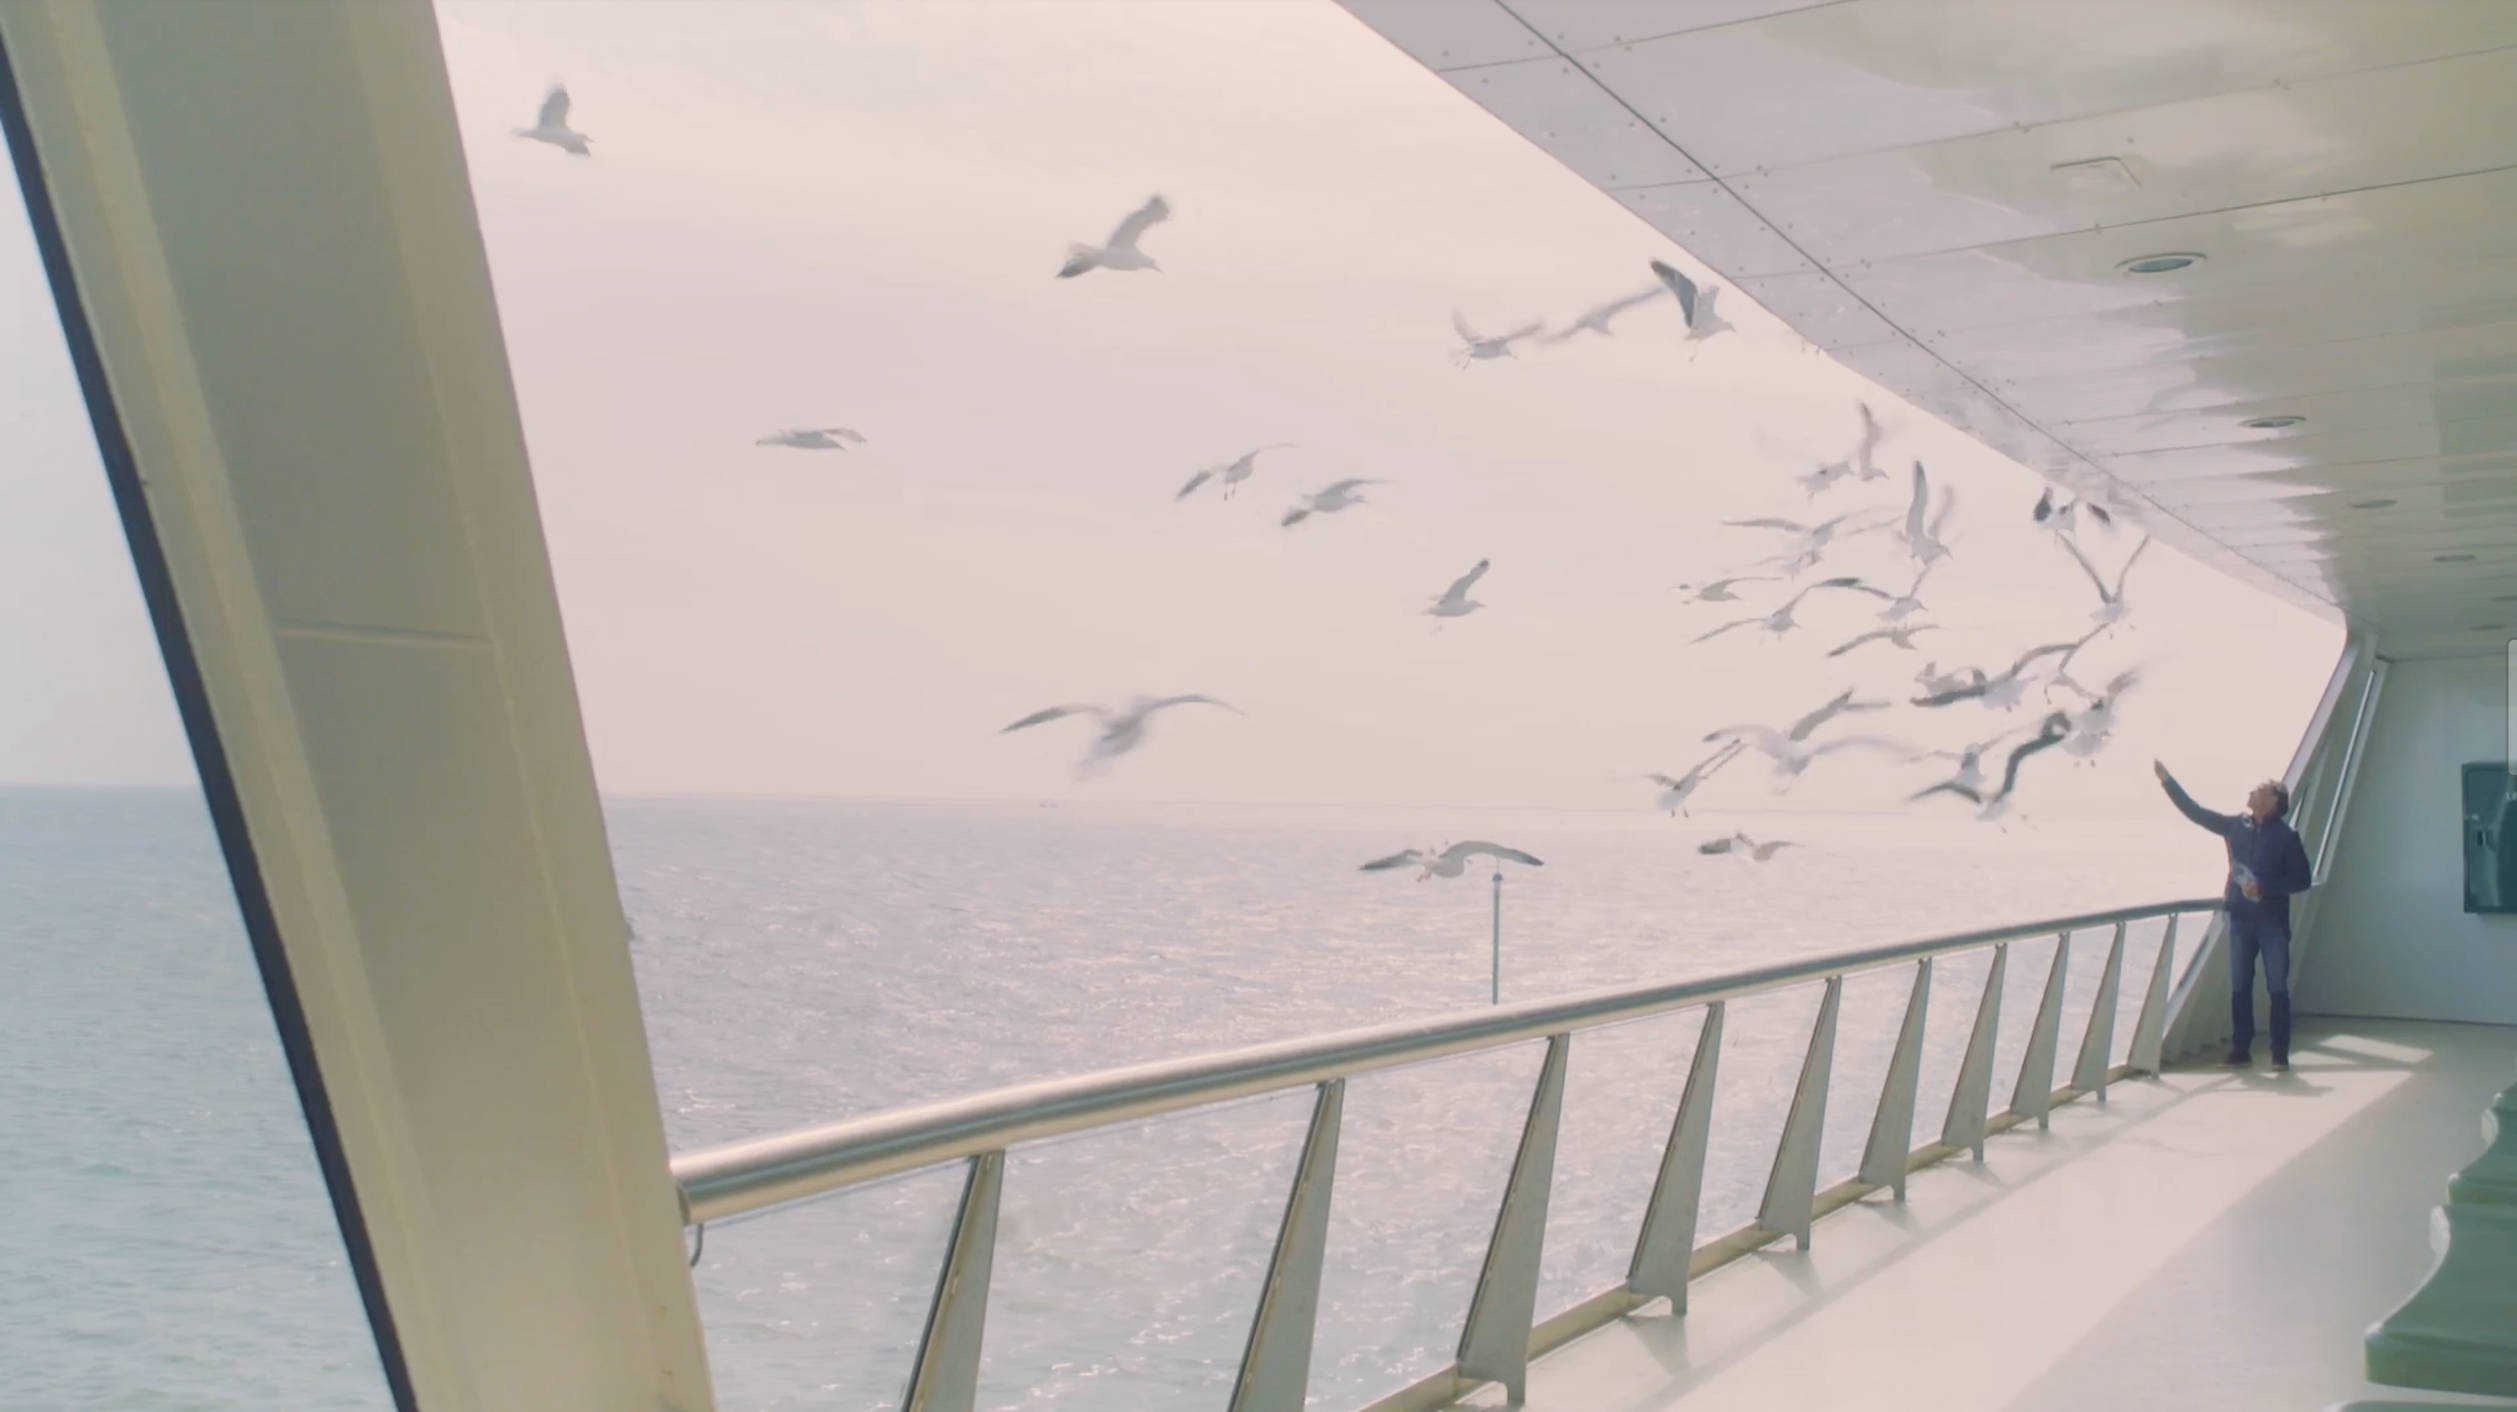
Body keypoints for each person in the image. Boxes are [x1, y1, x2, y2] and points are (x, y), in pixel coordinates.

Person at [2154, 761, 2313, 1067]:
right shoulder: (2236, 826)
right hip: (2240, 919)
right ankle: (2241, 1050)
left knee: (2277, 987)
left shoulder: (2287, 837)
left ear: (2274, 800)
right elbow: (2197, 814)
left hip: (2272, 924)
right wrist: (2167, 782)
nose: (2251, 792)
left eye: (2259, 790)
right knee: (2240, 985)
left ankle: (2280, 1053)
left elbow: (2301, 879)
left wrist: (2264, 888)